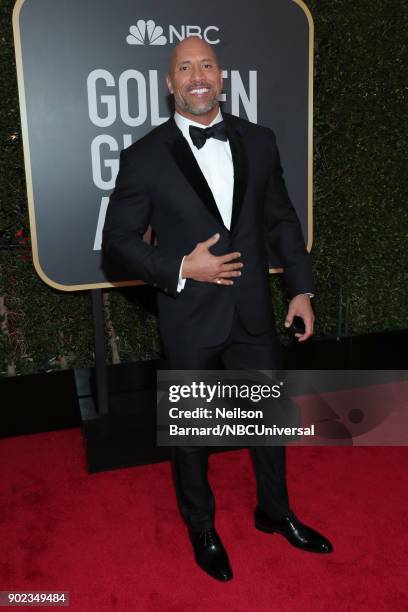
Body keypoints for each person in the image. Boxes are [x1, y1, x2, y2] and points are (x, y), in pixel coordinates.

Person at [102, 36, 333, 582]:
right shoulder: (145, 156)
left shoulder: (259, 140)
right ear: (170, 83)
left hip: (253, 310)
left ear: (222, 76)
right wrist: (183, 266)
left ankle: (275, 512)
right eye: (184, 67)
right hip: (189, 316)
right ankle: (201, 526)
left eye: (206, 65)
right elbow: (118, 241)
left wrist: (300, 289)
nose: (197, 75)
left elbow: (281, 220)